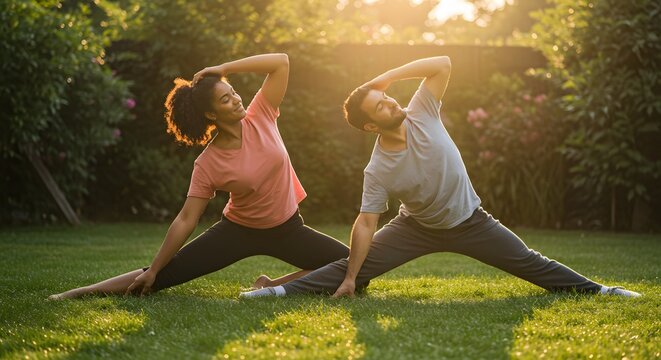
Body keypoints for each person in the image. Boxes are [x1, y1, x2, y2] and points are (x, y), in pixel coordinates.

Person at [240, 56, 641, 299]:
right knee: (352, 265)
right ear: (370, 128)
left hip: (471, 221)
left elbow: (443, 63)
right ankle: (273, 291)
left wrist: (388, 77)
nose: (390, 102)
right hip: (414, 229)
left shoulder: (422, 110)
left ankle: (603, 291)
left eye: (386, 97)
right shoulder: (378, 167)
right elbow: (365, 222)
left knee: (529, 263)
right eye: (380, 106)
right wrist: (349, 279)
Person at [48, 53, 349, 300]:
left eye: (233, 92)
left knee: (353, 270)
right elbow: (186, 219)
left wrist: (223, 68)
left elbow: (281, 61)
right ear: (211, 115)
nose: (236, 100)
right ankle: (81, 292)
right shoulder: (208, 162)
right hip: (237, 232)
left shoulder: (262, 113)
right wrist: (153, 268)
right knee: (160, 277)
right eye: (225, 100)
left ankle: (271, 286)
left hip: (288, 228)